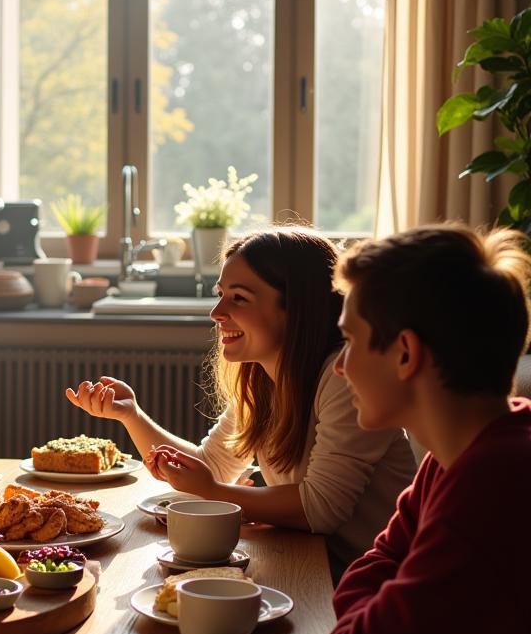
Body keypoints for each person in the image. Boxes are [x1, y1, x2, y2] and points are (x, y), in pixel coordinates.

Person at [318, 224, 531, 634]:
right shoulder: (462, 457)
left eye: (351, 340)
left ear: (405, 353)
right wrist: (371, 602)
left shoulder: (501, 486)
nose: (342, 365)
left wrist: (369, 606)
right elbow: (367, 575)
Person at [65, 226, 416, 574]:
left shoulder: (343, 380)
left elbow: (319, 508)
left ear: (296, 309)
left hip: (367, 578)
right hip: (310, 563)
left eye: (239, 297)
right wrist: (133, 416)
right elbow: (211, 467)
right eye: (220, 294)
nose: (216, 313)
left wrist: (214, 490)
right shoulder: (262, 382)